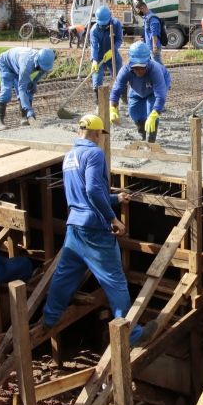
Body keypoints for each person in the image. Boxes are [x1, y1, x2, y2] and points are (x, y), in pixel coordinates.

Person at [42, 114, 157, 345]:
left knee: (65, 275)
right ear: (96, 134)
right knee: (115, 282)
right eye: (100, 135)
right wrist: (113, 218)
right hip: (95, 229)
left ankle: (49, 318)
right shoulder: (94, 153)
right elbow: (93, 191)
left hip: (74, 226)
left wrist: (115, 198)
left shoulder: (70, 156)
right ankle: (131, 334)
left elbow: (82, 193)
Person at [110, 41, 170, 143]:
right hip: (137, 89)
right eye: (136, 67)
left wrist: (154, 114)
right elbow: (116, 90)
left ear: (147, 61)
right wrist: (112, 108)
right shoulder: (125, 70)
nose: (139, 70)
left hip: (154, 90)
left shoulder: (155, 70)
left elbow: (160, 95)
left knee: (152, 111)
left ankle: (151, 140)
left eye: (142, 67)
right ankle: (142, 134)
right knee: (134, 112)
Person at [0, 47, 55, 130]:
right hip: (6, 65)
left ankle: (24, 118)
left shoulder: (45, 60)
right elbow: (21, 89)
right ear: (37, 60)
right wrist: (29, 110)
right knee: (7, 91)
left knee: (28, 89)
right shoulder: (27, 64)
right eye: (40, 67)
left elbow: (43, 71)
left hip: (17, 65)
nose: (41, 69)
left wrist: (34, 82)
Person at [90, 6, 123, 105]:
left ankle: (123, 101)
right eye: (102, 24)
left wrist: (113, 50)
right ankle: (99, 104)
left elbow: (119, 40)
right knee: (97, 78)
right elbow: (94, 46)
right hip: (99, 56)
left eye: (105, 24)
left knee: (120, 77)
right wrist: (94, 60)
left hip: (113, 54)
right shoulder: (94, 30)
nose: (104, 26)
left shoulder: (116, 24)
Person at [134, 1, 163, 65]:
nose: (138, 13)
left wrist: (154, 46)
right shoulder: (147, 18)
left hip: (153, 46)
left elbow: (154, 33)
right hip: (149, 46)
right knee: (151, 65)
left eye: (138, 10)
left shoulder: (152, 18)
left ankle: (164, 74)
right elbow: (148, 32)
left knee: (158, 65)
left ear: (142, 8)